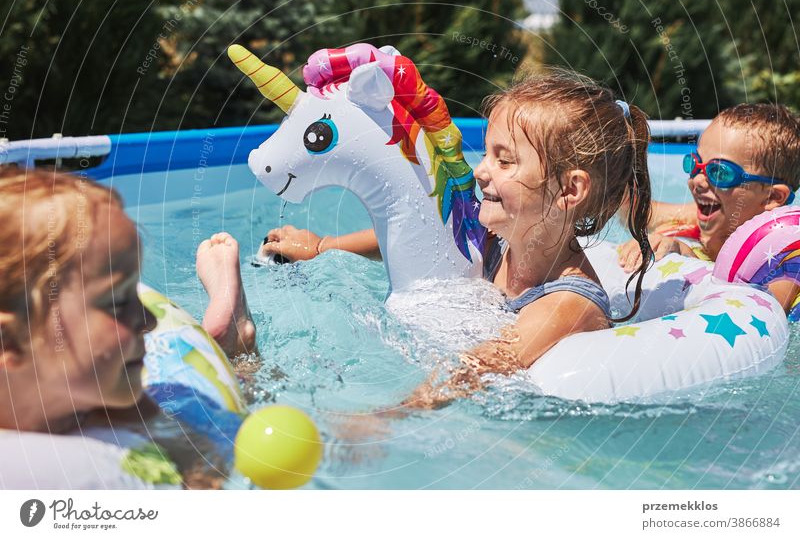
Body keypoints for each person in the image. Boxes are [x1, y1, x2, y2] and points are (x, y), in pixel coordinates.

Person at [265, 70, 653, 409]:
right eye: (486, 153)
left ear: (570, 190)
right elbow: (417, 242)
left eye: (505, 160)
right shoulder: (494, 242)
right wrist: (322, 247)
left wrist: (390, 415)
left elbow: (479, 368)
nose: (481, 171)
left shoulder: (568, 304)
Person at [0, 167, 255, 488]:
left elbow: (200, 457)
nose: (149, 321)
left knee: (244, 397)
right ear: (9, 340)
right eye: (117, 303)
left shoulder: (113, 398)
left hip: (164, 377)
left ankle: (236, 344)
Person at [617, 103, 800, 311]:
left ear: (772, 197)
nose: (698, 181)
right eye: (695, 165)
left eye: (720, 172)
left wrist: (687, 257)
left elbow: (753, 315)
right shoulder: (694, 218)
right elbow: (633, 212)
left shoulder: (784, 259)